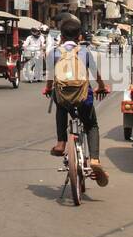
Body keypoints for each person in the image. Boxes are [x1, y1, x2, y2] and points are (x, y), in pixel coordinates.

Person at [44, 12, 109, 185]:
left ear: (61, 37)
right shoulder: (85, 52)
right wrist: (102, 87)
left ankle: (60, 143)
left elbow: (50, 76)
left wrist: (48, 88)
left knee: (60, 108)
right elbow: (96, 75)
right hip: (83, 97)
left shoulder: (54, 53)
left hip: (63, 96)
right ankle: (94, 159)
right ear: (79, 36)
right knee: (91, 125)